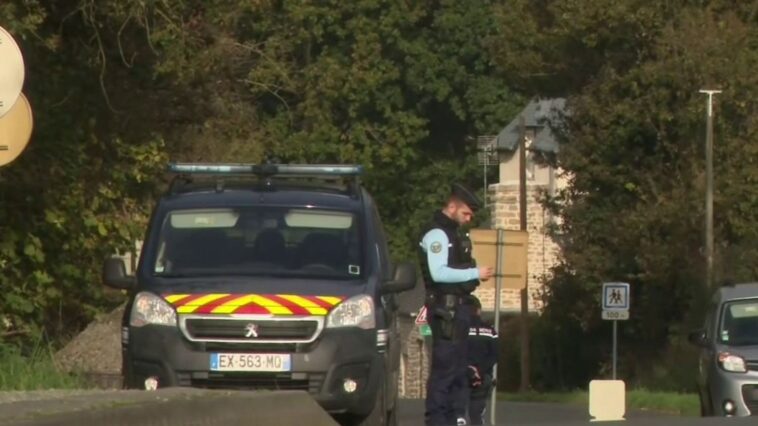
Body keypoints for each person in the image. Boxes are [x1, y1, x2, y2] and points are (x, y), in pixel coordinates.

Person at [419, 183, 495, 426]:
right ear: (452, 207)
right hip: (446, 311)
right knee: (445, 373)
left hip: (459, 310)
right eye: (466, 213)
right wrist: (474, 272)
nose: (469, 218)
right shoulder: (437, 234)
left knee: (459, 372)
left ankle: (456, 420)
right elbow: (438, 272)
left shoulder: (455, 234)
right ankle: (438, 421)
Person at [455, 296, 499, 426]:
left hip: (461, 376)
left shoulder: (457, 330)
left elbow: (453, 353)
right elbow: (495, 355)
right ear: (479, 310)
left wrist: (469, 369)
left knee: (458, 413)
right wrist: (479, 371)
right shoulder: (490, 331)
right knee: (477, 415)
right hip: (483, 378)